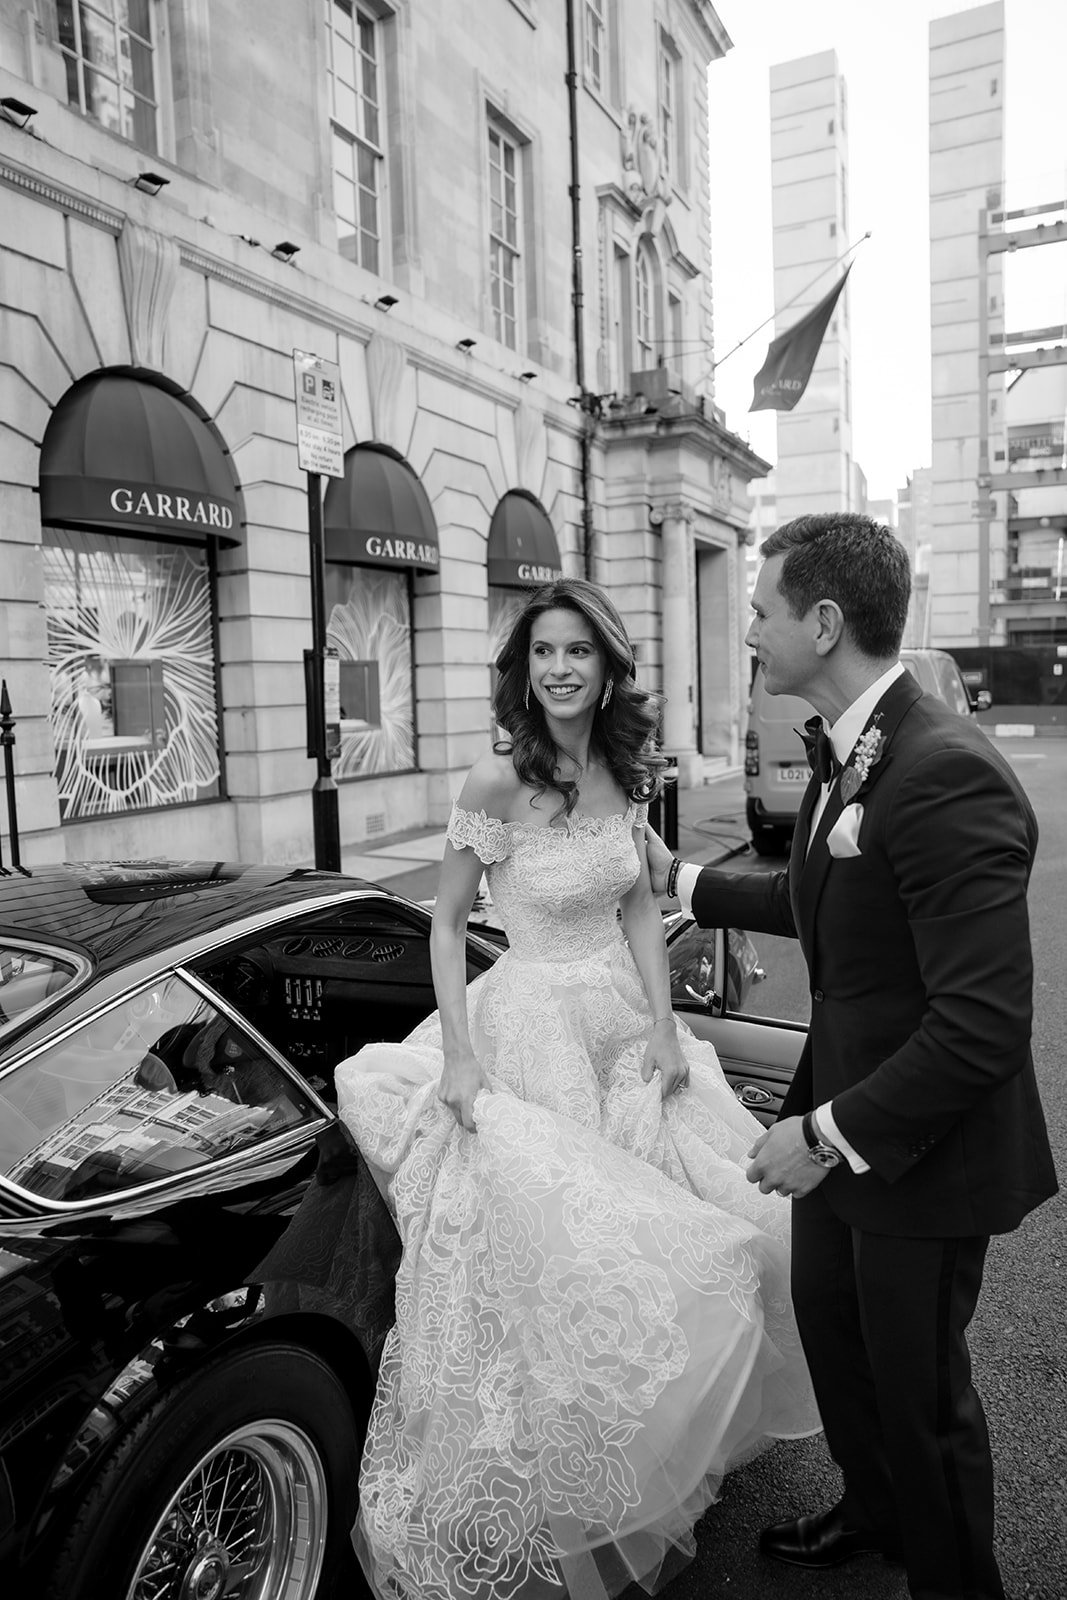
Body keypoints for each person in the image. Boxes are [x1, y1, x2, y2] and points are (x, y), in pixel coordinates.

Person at [336, 576, 818, 1600]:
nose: (560, 667)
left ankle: (648, 1451)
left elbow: (641, 905)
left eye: (578, 652)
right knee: (563, 1269)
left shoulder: (620, 772)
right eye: (543, 651)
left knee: (710, 1240)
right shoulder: (493, 782)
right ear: (525, 669)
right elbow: (440, 921)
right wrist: (460, 1055)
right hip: (529, 1026)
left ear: (605, 669)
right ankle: (557, 1492)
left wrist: (660, 1018)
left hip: (618, 1022)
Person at [646, 513, 1058, 1600]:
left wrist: (822, 1136)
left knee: (920, 1397)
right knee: (835, 1335)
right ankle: (876, 1515)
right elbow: (822, 898)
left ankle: (951, 1578)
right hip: (842, 1124)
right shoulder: (854, 745)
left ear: (822, 622)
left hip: (916, 1153)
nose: (745, 631)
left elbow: (979, 1027)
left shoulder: (942, 771)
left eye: (759, 609)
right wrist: (683, 884)